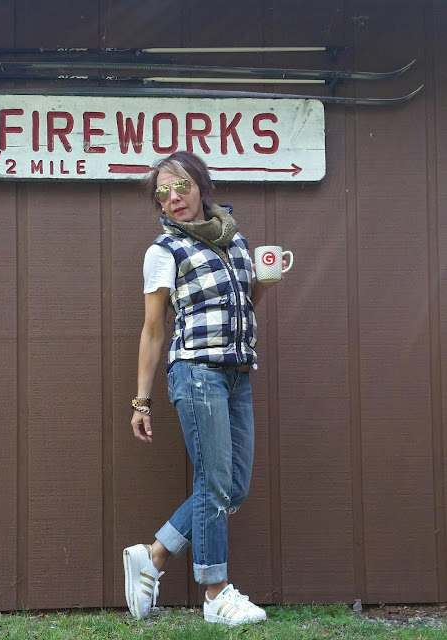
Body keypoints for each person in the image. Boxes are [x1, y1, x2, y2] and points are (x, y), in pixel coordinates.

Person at [123, 150, 281, 626]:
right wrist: (141, 401)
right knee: (214, 484)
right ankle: (215, 593)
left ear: (201, 186)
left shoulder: (235, 239)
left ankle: (153, 556)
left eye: (181, 186)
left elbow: (243, 304)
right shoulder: (163, 251)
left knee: (233, 486)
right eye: (162, 193)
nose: (173, 198)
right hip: (196, 372)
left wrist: (264, 284)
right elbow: (154, 329)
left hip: (237, 373)